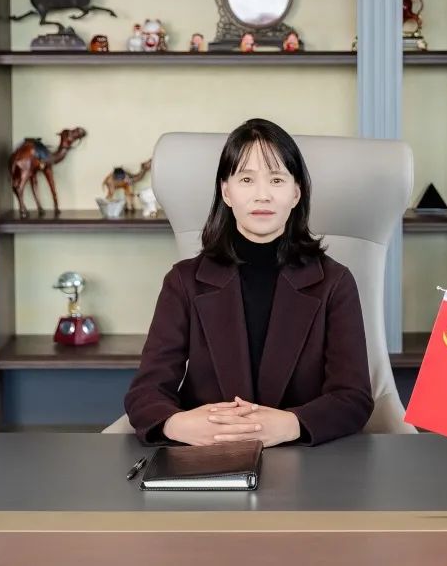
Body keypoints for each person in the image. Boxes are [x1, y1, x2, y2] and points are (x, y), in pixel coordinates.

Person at [124, 118, 374, 447]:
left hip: (304, 456)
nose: (262, 195)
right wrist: (176, 424)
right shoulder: (183, 282)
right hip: (208, 455)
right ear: (226, 192)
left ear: (296, 193)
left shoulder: (334, 282)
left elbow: (354, 397)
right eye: (246, 179)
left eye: (276, 179)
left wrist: (292, 424)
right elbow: (145, 391)